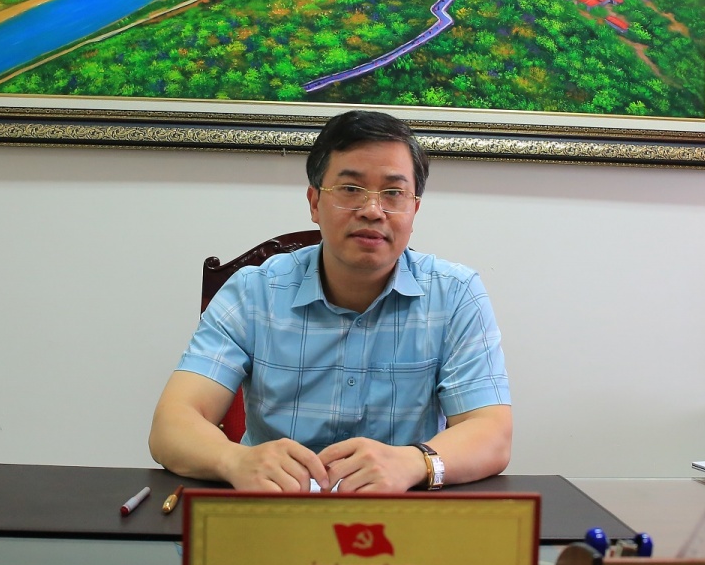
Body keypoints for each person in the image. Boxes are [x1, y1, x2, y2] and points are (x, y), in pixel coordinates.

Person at [149, 110, 511, 492]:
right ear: (314, 202)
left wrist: (412, 462)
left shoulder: (454, 294)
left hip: (400, 510)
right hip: (274, 506)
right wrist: (235, 460)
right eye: (351, 189)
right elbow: (172, 425)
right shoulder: (253, 292)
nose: (372, 211)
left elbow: (491, 433)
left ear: (414, 209)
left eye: (393, 193)